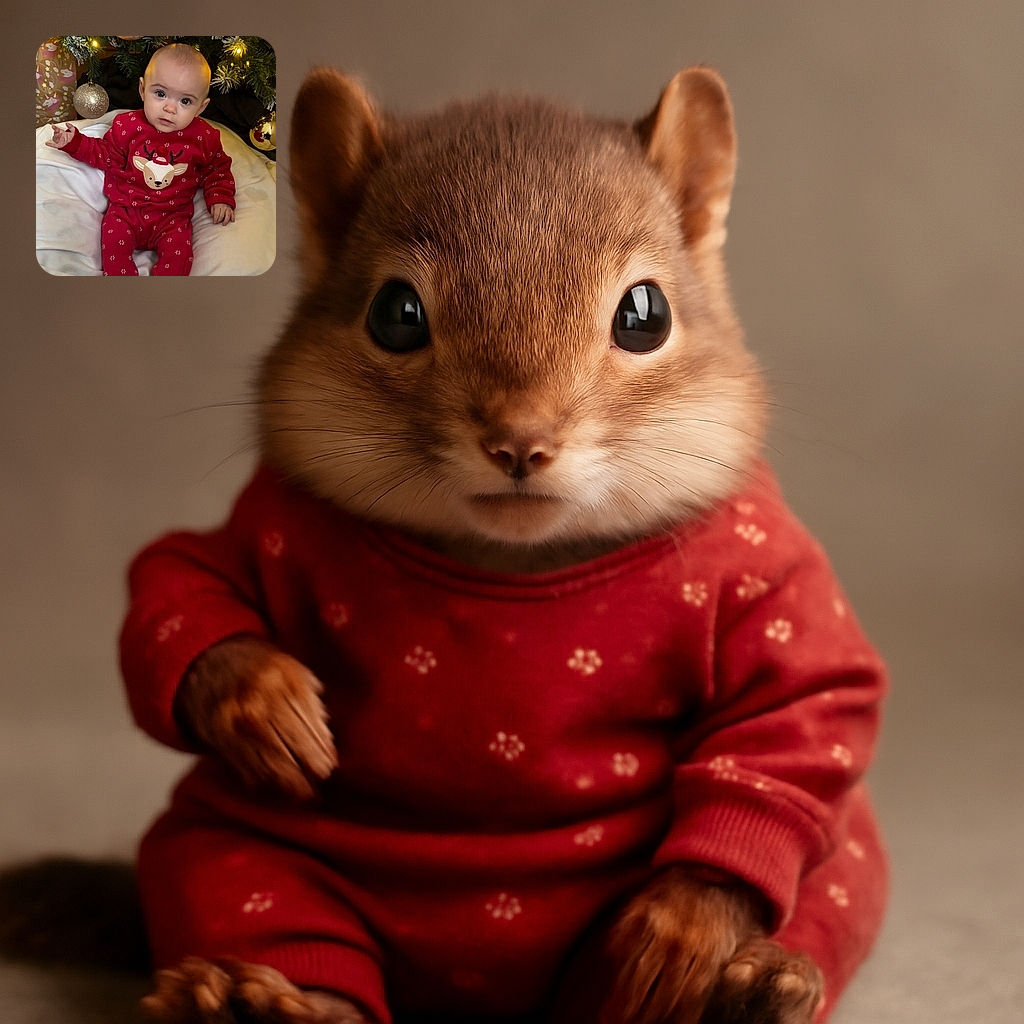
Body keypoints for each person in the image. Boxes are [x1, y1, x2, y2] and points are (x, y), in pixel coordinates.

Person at [46, 43, 235, 276]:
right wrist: (73, 143)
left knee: (179, 258)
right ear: (142, 89)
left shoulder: (204, 137)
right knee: (114, 247)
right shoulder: (126, 127)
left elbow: (217, 168)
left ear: (201, 107)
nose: (169, 108)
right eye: (160, 93)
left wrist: (221, 197)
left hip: (173, 219)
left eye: (185, 101)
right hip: (125, 212)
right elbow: (105, 155)